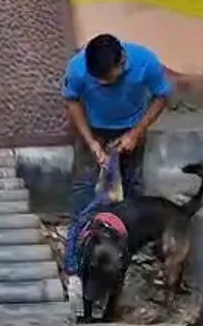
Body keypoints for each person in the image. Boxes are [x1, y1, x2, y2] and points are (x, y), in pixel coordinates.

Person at [62, 33, 172, 219]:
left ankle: (131, 231)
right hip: (93, 128)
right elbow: (71, 101)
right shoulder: (77, 68)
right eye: (97, 80)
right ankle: (81, 229)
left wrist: (136, 133)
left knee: (133, 183)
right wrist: (92, 143)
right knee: (83, 183)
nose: (102, 84)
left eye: (107, 80)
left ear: (122, 62)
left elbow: (161, 96)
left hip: (132, 126)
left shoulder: (146, 61)